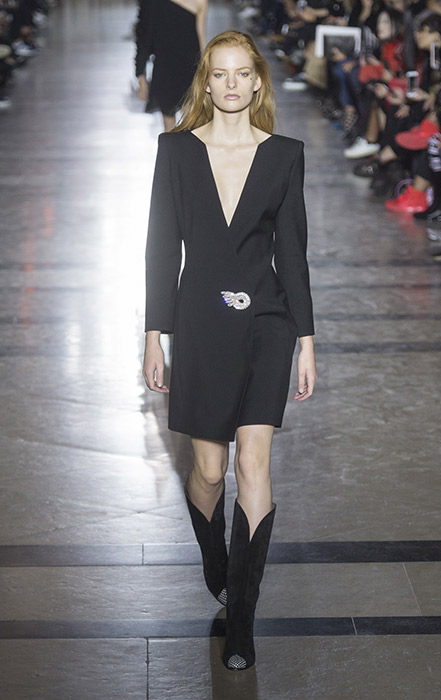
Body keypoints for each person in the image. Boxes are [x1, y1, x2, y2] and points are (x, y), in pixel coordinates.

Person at [142, 30, 316, 670]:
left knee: (253, 460)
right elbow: (162, 245)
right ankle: (216, 558)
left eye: (243, 73)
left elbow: (292, 254)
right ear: (206, 82)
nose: (232, 84)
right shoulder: (177, 150)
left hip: (266, 321)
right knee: (210, 471)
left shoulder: (284, 155)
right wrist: (154, 335)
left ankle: (241, 618)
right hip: (199, 321)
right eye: (221, 74)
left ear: (258, 81)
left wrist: (305, 340)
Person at [135, 0, 208, 131]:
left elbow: (201, 38)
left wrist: (205, 71)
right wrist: (141, 75)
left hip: (190, 68)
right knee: (169, 126)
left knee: (193, 123)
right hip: (165, 68)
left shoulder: (200, 1)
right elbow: (144, 36)